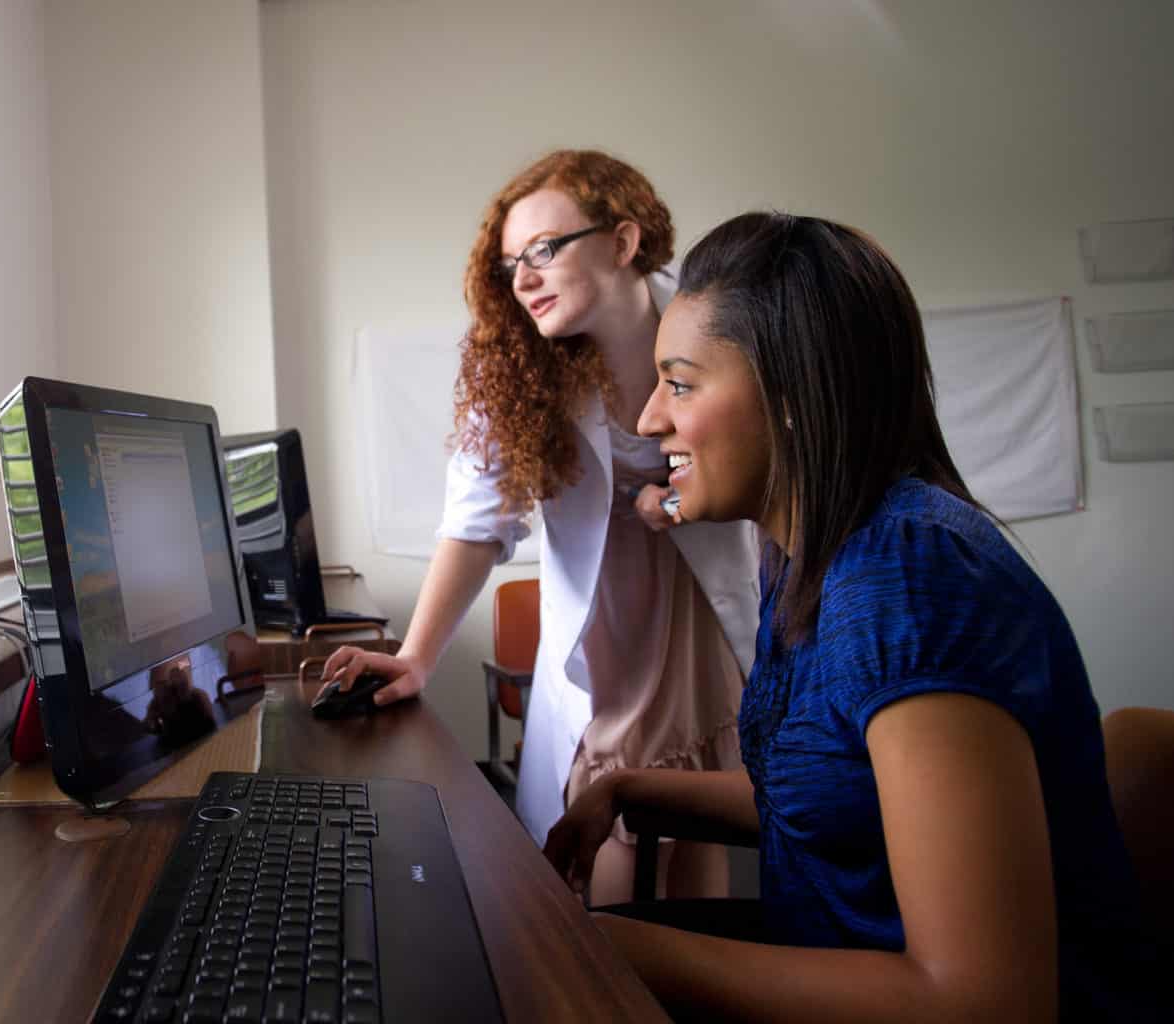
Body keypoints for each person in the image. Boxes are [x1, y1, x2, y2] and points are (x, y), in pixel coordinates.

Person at [543, 211, 1156, 1019]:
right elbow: (831, 796)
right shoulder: (803, 554)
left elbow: (983, 1001)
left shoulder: (909, 578)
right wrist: (625, 788)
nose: (652, 418)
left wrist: (618, 950)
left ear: (791, 397)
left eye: (681, 383)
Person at [322, 151, 761, 903]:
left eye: (544, 250)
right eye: (509, 263)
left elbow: (767, 463)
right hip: (605, 639)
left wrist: (678, 502)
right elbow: (474, 522)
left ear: (623, 243)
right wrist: (418, 658)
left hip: (697, 621)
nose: (522, 277)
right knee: (617, 873)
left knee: (694, 856)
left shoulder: (718, 324)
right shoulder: (521, 370)